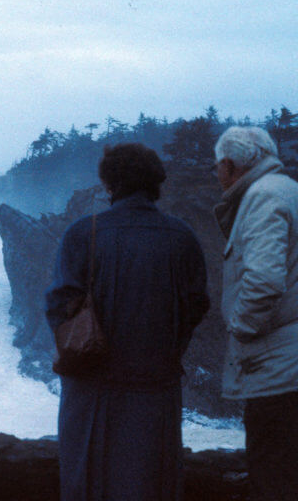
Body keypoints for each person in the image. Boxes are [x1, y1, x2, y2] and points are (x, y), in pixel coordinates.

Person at [46, 143, 209, 501]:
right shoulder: (182, 237)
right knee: (152, 484)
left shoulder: (82, 233)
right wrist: (167, 348)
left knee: (88, 482)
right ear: (155, 183)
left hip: (91, 387)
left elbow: (59, 306)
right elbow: (197, 306)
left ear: (109, 184)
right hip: (155, 387)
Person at [213, 126, 298, 501]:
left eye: (218, 166)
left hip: (279, 367)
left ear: (230, 165)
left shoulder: (263, 197)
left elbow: (263, 279)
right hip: (288, 360)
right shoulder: (286, 190)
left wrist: (241, 328)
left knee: (273, 472)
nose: (216, 175)